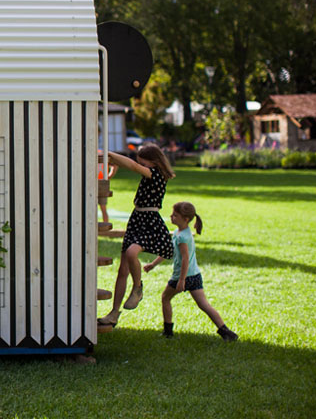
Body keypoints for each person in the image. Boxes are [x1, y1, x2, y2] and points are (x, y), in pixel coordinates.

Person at [98, 143, 174, 327]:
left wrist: (109, 154)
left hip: (149, 222)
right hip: (137, 219)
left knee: (132, 253)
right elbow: (131, 164)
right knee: (122, 270)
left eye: (143, 163)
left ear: (153, 162)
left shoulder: (156, 174)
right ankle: (114, 313)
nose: (141, 166)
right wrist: (110, 158)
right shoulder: (149, 171)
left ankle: (137, 287)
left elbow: (132, 165)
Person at [143, 201, 238, 341]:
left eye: (175, 215)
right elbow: (168, 252)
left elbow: (185, 259)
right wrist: (153, 264)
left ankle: (168, 331)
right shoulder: (180, 233)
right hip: (194, 275)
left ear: (185, 219)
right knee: (204, 305)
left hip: (182, 277)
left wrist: (181, 280)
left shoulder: (182, 237)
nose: (171, 216)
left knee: (165, 298)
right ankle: (226, 332)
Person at [97, 158, 118, 223]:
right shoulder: (102, 154)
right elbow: (115, 166)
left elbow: (115, 166)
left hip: (101, 183)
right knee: (103, 208)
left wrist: (109, 176)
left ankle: (105, 224)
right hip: (102, 183)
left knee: (102, 208)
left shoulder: (101, 155)